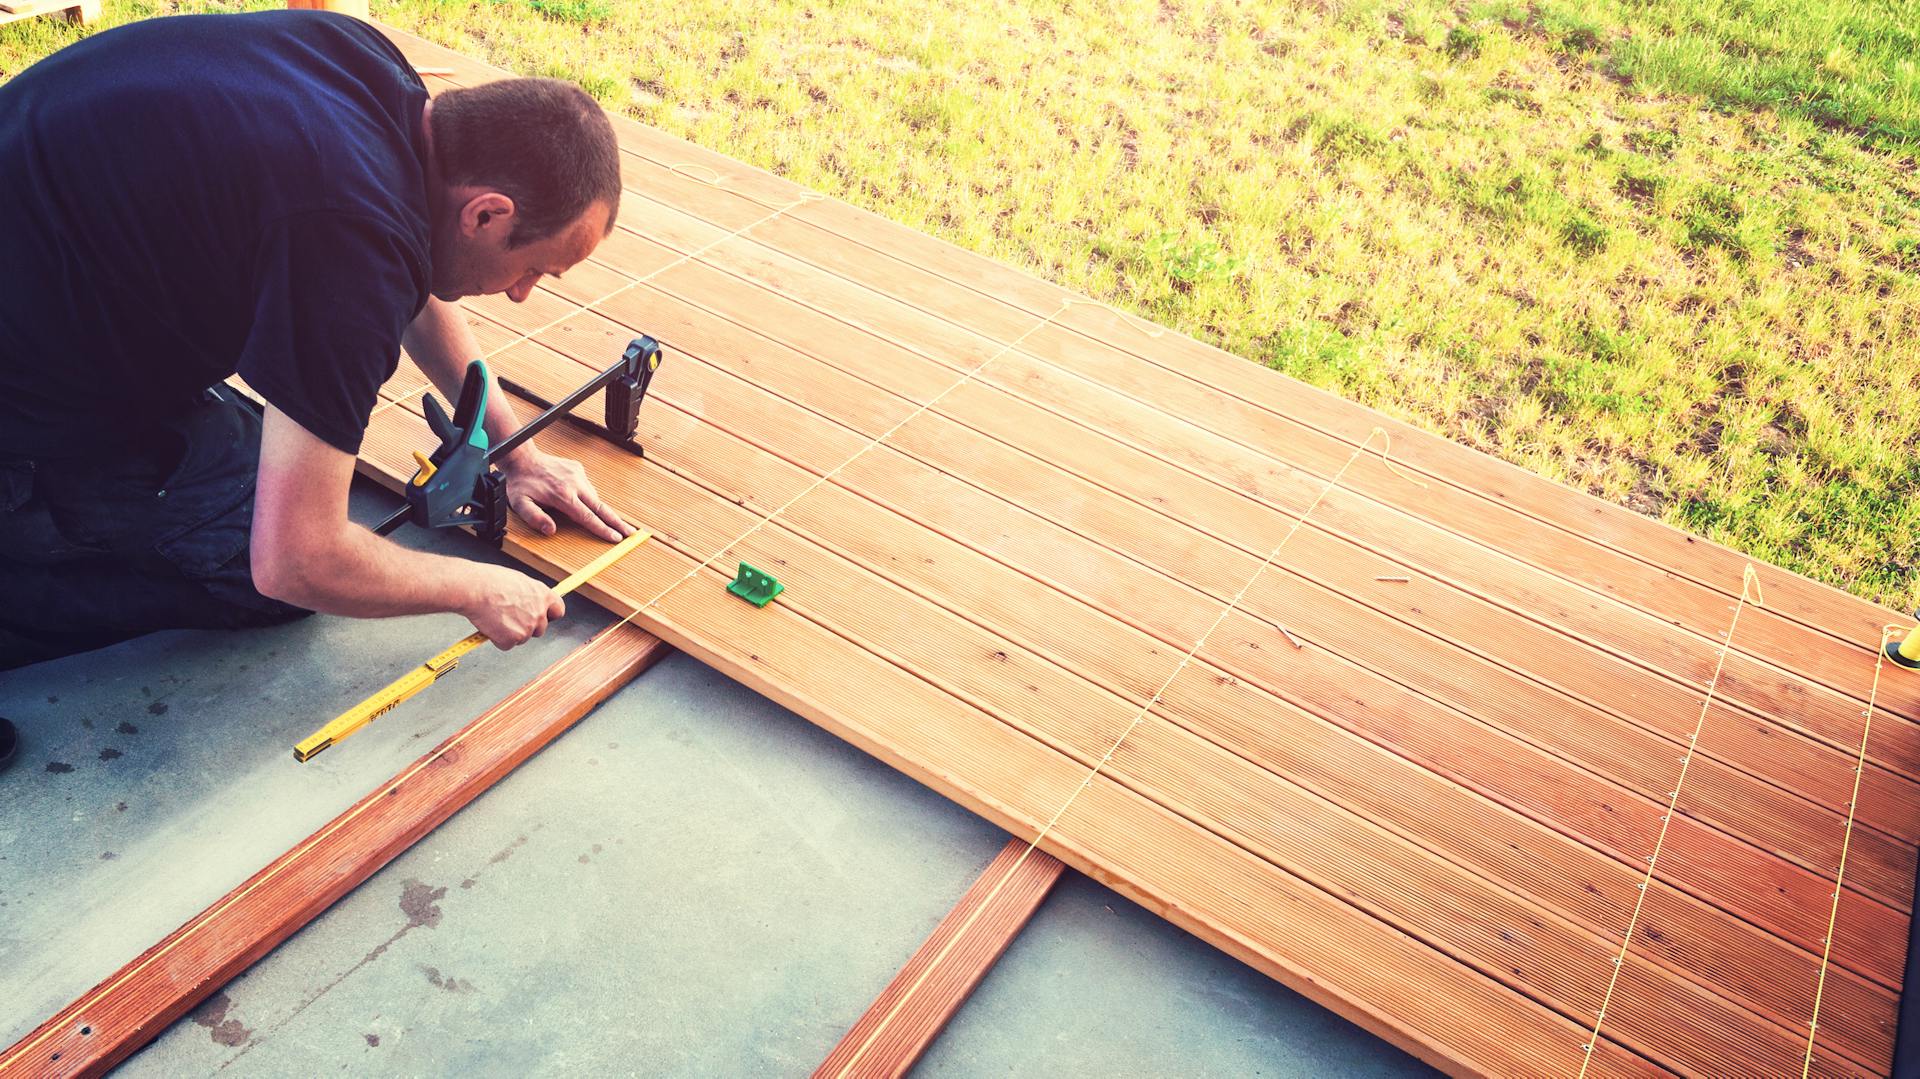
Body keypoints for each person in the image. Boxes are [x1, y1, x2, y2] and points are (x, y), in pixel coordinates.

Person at [0, 11, 638, 758]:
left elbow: (409, 269)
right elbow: (297, 559)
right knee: (260, 576)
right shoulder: (348, 237)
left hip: (46, 279)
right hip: (31, 399)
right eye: (535, 267)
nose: (525, 292)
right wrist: (475, 589)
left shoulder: (375, 78)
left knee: (251, 472)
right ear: (486, 211)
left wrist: (513, 447)